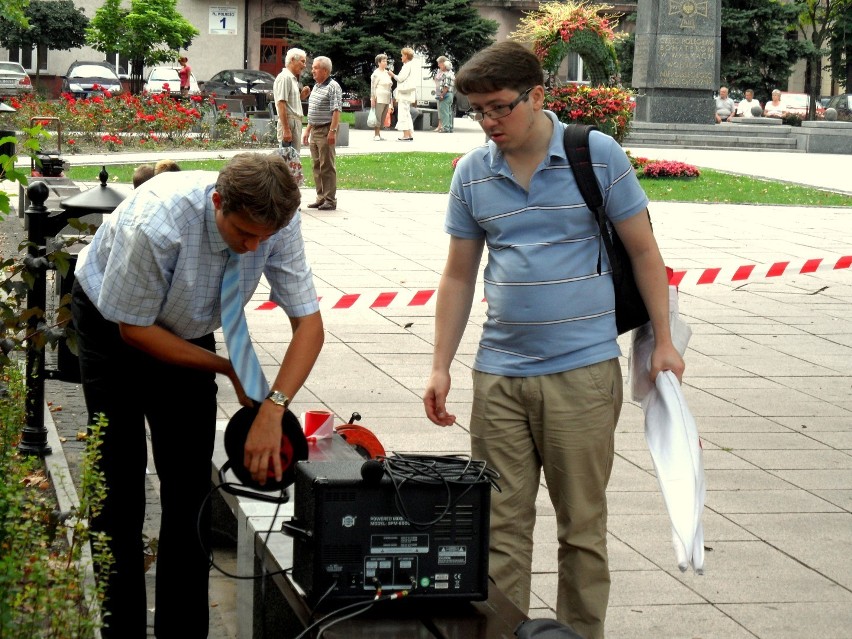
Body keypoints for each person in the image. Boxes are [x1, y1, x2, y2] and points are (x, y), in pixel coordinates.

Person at [421, 41, 685, 639]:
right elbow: (459, 273)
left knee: (582, 527)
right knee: (498, 527)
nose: (488, 123)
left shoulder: (595, 154)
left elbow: (645, 253)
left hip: (583, 372)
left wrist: (663, 341)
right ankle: (500, 632)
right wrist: (441, 365)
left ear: (537, 96)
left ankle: (579, 634)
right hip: (499, 376)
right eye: (476, 111)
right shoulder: (472, 172)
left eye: (498, 108)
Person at [69, 153, 324, 639]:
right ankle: (118, 629)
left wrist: (274, 408)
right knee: (118, 485)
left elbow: (309, 325)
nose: (253, 249)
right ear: (218, 203)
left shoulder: (275, 221)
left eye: (263, 239)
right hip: (113, 325)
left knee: (190, 491)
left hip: (186, 326)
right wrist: (227, 367)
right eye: (244, 234)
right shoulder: (157, 222)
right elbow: (135, 331)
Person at [302, 55, 342, 211]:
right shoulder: (317, 86)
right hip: (315, 129)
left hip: (326, 129)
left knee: (327, 165)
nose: (312, 71)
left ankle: (330, 199)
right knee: (316, 165)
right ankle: (321, 197)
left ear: (325, 70)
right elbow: (313, 112)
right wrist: (307, 130)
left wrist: (332, 131)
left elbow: (336, 111)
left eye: (315, 68)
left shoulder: (333, 87)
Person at [274, 47, 310, 152]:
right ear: (293, 60)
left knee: (294, 161)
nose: (304, 66)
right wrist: (286, 129)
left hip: (294, 122)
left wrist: (301, 97)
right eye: (302, 62)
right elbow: (281, 104)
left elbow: (288, 103)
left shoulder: (292, 79)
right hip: (290, 122)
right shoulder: (285, 77)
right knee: (287, 160)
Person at [389, 47, 416, 141]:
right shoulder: (411, 65)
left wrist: (392, 74)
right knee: (407, 113)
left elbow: (400, 78)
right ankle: (409, 134)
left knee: (403, 113)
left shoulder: (407, 66)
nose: (401, 57)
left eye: (402, 55)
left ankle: (405, 135)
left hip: (404, 93)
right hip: (408, 93)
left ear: (406, 56)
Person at [370, 53, 394, 141]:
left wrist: (391, 101)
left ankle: (379, 134)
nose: (385, 62)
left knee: (383, 116)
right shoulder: (376, 73)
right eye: (383, 61)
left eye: (386, 61)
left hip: (387, 96)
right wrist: (372, 98)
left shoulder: (387, 73)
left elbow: (390, 87)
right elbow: (373, 87)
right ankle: (376, 134)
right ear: (379, 63)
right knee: (378, 116)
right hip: (379, 96)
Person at [436, 59, 455, 133]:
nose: (441, 66)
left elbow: (446, 87)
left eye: (443, 65)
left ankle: (445, 128)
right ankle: (450, 127)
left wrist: (442, 95)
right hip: (450, 94)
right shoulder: (451, 74)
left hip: (446, 94)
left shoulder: (446, 75)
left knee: (444, 112)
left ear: (445, 66)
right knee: (449, 111)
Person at [433, 56, 447, 131]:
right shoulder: (439, 71)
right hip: (438, 91)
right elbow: (436, 79)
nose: (438, 65)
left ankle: (444, 125)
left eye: (439, 63)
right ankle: (439, 125)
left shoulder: (447, 71)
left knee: (444, 109)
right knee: (439, 108)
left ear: (443, 63)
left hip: (444, 92)